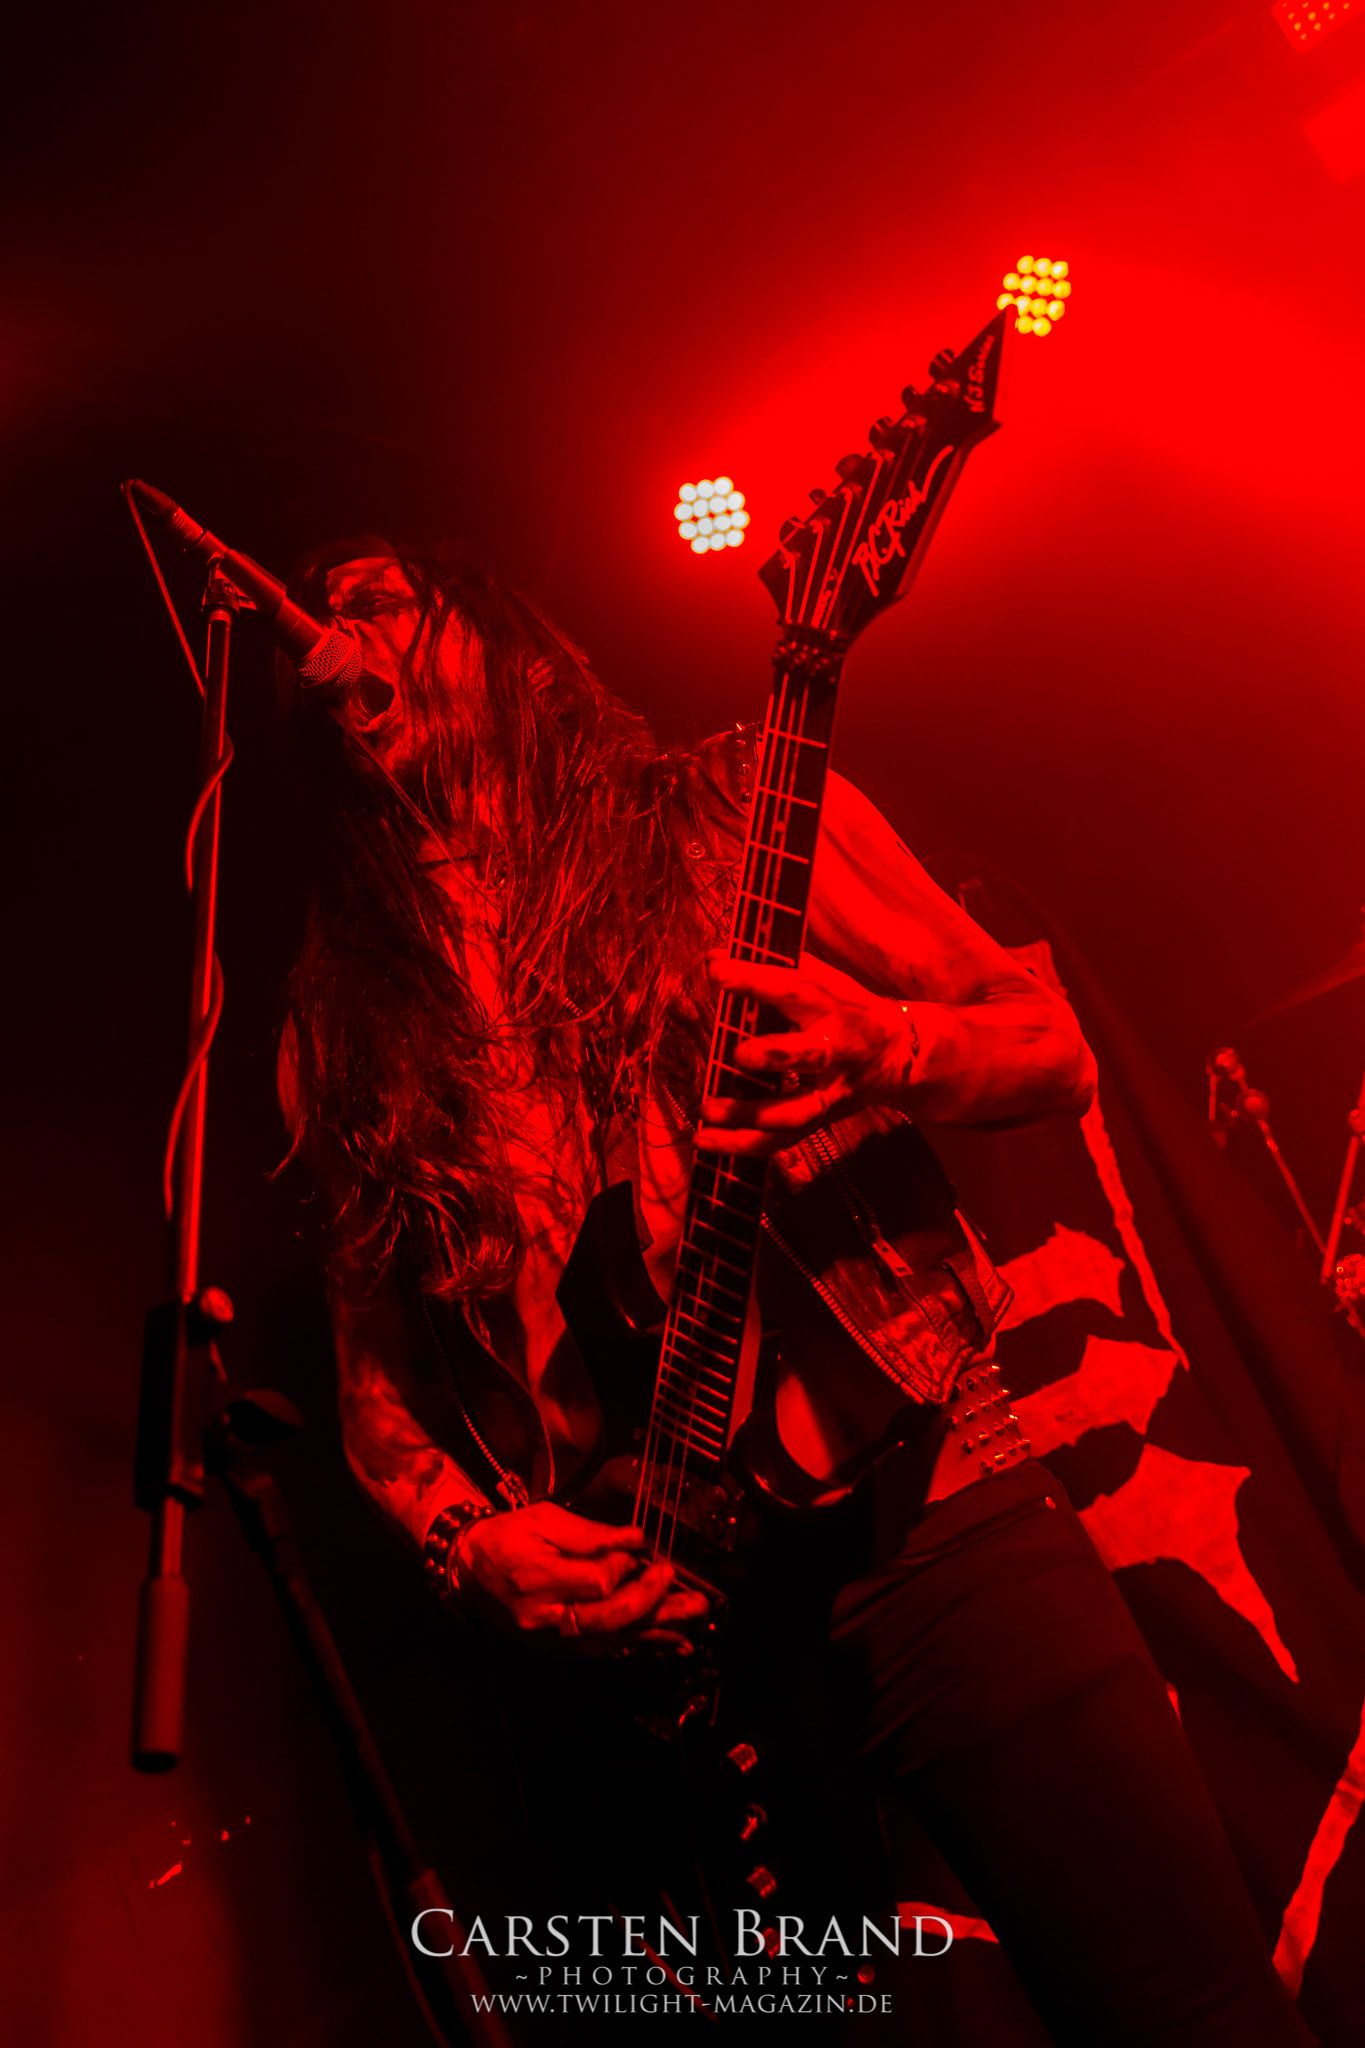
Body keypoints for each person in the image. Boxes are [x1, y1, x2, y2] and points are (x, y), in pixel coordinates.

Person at [277, 540, 1315, 2045]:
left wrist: (887, 1045)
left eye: (378, 599)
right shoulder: (341, 1017)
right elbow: (373, 1393)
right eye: (315, 614)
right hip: (663, 1643)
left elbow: (1045, 1045)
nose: (332, 635)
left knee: (1186, 2013)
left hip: (930, 1526)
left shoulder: (731, 811)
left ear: (504, 641)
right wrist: (469, 1544)